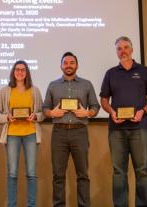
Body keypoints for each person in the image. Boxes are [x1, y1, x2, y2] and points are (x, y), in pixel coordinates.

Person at [100, 36, 147, 207]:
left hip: (139, 127)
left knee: (142, 171)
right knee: (119, 172)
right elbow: (104, 99)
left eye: (126, 47)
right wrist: (111, 112)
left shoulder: (145, 71)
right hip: (116, 130)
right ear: (116, 52)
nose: (123, 51)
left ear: (132, 50)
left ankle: (143, 205)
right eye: (119, 48)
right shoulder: (110, 73)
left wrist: (143, 111)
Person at [43, 52, 100, 207]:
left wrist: (88, 113)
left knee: (83, 175)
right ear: (61, 65)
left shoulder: (86, 84)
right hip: (59, 133)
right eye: (65, 62)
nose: (68, 65)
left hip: (79, 132)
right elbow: (45, 108)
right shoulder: (52, 85)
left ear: (77, 65)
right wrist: (51, 113)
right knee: (58, 175)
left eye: (72, 62)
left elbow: (95, 106)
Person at [0, 60, 44, 207]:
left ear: (27, 72)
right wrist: (6, 117)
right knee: (12, 173)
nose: (20, 72)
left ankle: (32, 205)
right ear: (13, 72)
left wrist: (35, 116)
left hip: (31, 133)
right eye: (17, 70)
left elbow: (42, 114)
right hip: (12, 134)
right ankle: (11, 205)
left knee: (31, 173)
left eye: (23, 70)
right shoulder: (5, 90)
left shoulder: (34, 90)